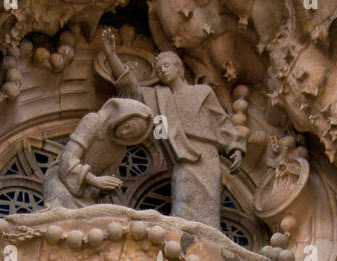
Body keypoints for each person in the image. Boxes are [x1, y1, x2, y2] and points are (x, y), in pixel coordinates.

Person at [100, 28, 244, 227]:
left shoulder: (202, 92)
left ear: (179, 68)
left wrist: (235, 147)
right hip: (182, 158)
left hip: (206, 155)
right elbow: (131, 88)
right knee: (183, 197)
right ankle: (188, 241)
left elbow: (221, 121)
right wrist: (111, 55)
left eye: (166, 66)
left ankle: (208, 242)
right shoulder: (158, 96)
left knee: (208, 206)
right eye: (159, 69)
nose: (163, 71)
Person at [43, 98, 154, 208]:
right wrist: (94, 180)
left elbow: (97, 188)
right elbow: (68, 159)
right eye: (126, 126)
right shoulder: (93, 122)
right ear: (121, 118)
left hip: (86, 194)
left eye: (131, 135)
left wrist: (105, 189)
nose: (124, 133)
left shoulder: (120, 151)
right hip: (60, 181)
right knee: (65, 212)